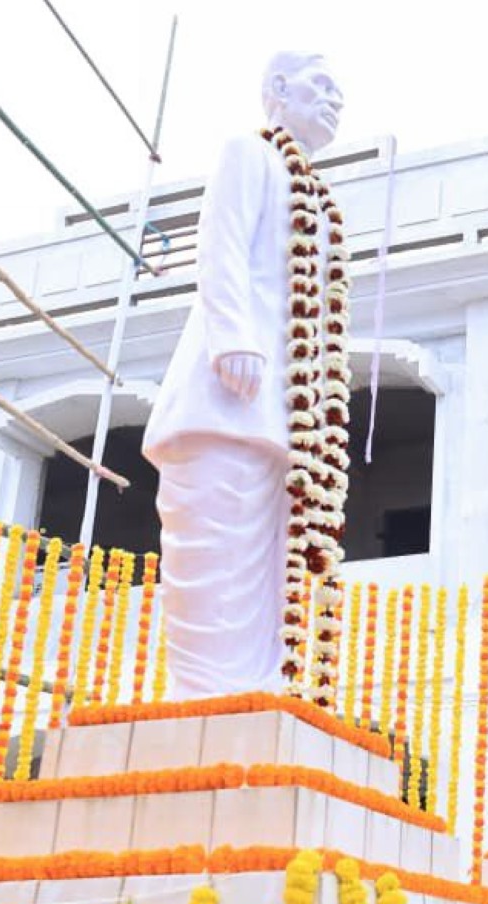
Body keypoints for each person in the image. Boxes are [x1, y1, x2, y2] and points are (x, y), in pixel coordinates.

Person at [143, 52, 347, 698]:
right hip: (224, 394)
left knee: (263, 567)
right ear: (277, 90)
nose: (336, 98)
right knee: (213, 549)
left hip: (283, 416)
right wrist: (232, 336)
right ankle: (204, 693)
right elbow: (221, 241)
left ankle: (254, 685)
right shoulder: (248, 153)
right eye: (322, 84)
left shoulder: (313, 191)